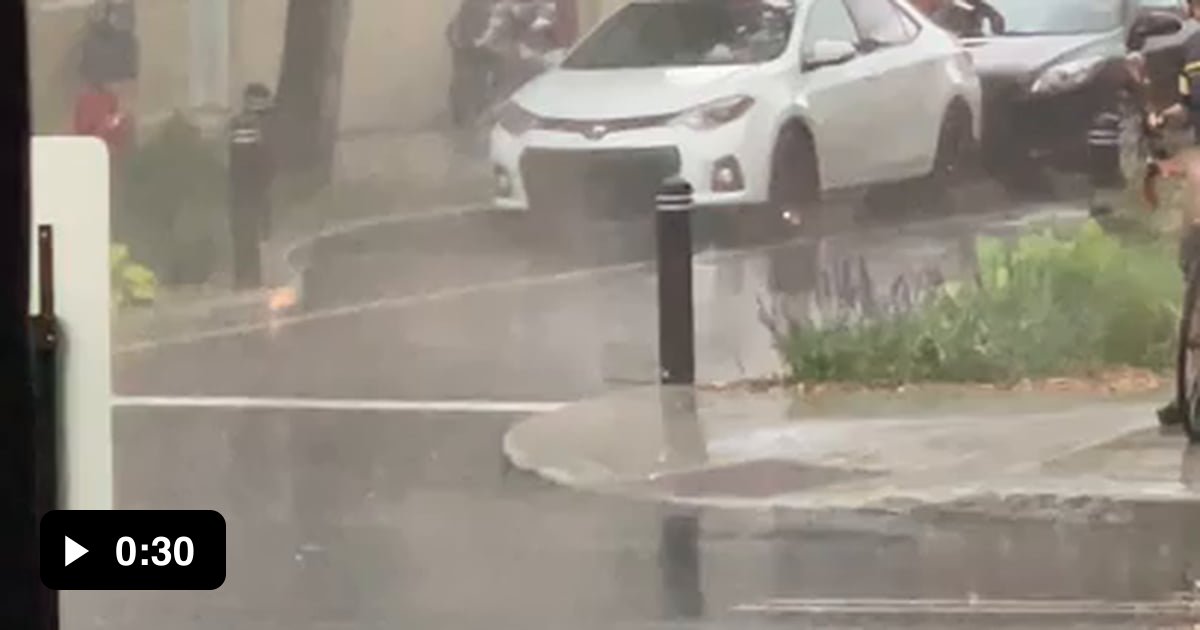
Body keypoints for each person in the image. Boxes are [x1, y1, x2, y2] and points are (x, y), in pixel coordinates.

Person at [1148, 0, 1200, 426]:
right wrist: (1166, 116)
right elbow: (1190, 105)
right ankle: (1189, 390)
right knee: (1191, 242)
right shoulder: (1195, 49)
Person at [227, 83, 275, 290]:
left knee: (248, 232)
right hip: (248, 185)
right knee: (250, 231)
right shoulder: (247, 125)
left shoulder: (248, 124)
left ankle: (248, 278)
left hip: (249, 185)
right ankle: (249, 279)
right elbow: (249, 157)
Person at [933, 0, 1006, 37]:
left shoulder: (980, 6)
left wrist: (999, 32)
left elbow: (995, 17)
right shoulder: (942, 11)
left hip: (977, 44)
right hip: (955, 46)